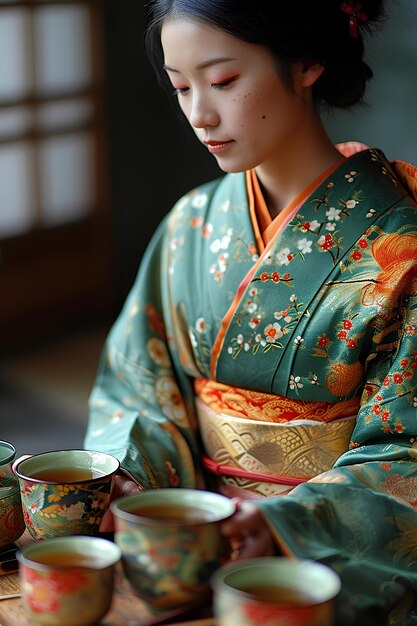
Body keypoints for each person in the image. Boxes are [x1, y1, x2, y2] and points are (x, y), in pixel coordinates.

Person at [84, 1, 417, 623]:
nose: (199, 114)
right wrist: (130, 478)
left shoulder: (402, 247)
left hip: (313, 566)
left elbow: (408, 453)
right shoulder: (190, 225)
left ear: (308, 61)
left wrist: (289, 524)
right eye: (181, 87)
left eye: (224, 81)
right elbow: (138, 389)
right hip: (190, 551)